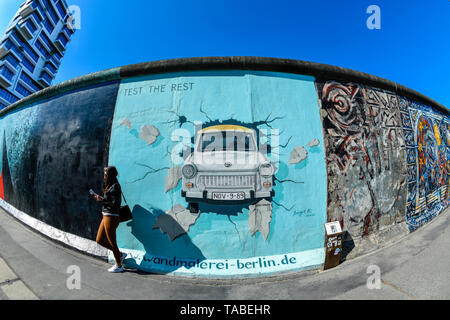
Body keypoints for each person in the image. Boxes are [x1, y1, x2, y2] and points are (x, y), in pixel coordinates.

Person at [91, 166, 127, 273]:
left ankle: (119, 265)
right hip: (105, 216)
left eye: (106, 174)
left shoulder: (115, 186)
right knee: (99, 240)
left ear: (110, 175)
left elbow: (114, 204)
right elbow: (109, 201)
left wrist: (101, 200)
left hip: (111, 217)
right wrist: (101, 199)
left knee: (112, 242)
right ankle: (120, 255)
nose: (104, 176)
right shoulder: (110, 185)